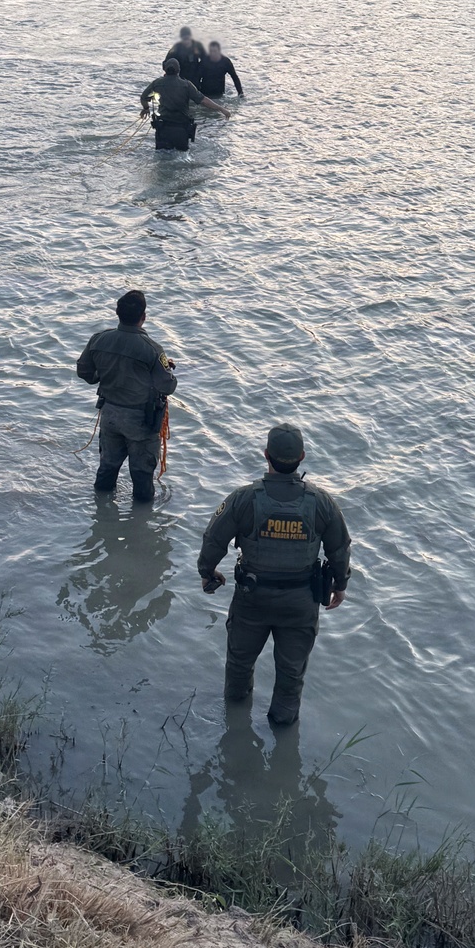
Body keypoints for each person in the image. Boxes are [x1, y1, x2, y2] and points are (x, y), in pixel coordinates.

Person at [197, 424, 351, 727]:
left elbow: (214, 539)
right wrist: (340, 585)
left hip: (252, 598)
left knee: (239, 666)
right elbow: (340, 549)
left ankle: (236, 724)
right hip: (301, 602)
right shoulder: (321, 502)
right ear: (302, 457)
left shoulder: (244, 499)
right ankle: (282, 732)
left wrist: (207, 571)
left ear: (266, 455)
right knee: (292, 674)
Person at [76, 290, 178, 503]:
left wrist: (104, 376)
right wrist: (167, 369)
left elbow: (84, 372)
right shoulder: (153, 349)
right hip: (140, 421)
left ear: (117, 313)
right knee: (142, 477)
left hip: (110, 415)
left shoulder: (99, 339)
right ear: (144, 317)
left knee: (106, 469)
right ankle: (140, 525)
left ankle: (101, 514)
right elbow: (167, 386)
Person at [140, 58, 230, 151]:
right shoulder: (187, 85)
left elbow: (143, 97)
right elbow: (203, 100)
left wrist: (146, 108)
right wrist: (221, 108)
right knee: (182, 157)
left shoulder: (157, 83)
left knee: (162, 155)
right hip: (181, 129)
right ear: (179, 71)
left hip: (163, 129)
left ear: (165, 70)